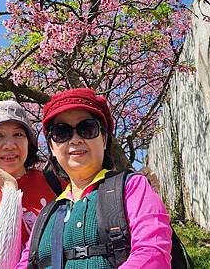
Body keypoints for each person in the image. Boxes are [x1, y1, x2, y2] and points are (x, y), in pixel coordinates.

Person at [16, 88, 172, 268]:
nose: (75, 140)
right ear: (51, 146)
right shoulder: (46, 214)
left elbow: (153, 253)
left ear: (104, 139)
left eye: (87, 128)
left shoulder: (132, 187)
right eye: (61, 132)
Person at [0, 100, 62, 269]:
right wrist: (10, 189)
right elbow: (2, 264)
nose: (10, 145)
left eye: (18, 135)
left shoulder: (55, 180)